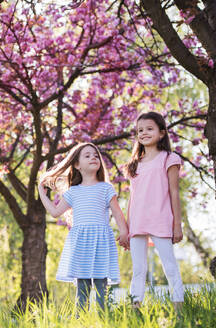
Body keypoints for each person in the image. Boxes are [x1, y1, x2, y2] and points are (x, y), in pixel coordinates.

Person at [38, 142, 129, 312]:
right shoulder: (73, 192)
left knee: (101, 285)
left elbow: (117, 213)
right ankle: (81, 320)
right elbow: (55, 212)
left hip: (101, 242)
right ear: (77, 165)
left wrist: (124, 232)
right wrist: (42, 193)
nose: (93, 157)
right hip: (80, 244)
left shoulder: (105, 188)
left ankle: (103, 319)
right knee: (83, 287)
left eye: (95, 155)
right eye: (87, 156)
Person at [124, 111, 185, 309]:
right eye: (140, 130)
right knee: (138, 270)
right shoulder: (134, 165)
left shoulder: (169, 158)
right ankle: (134, 310)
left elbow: (174, 193)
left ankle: (179, 310)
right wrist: (126, 228)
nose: (144, 133)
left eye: (149, 129)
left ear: (161, 133)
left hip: (161, 220)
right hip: (137, 222)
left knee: (170, 267)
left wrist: (177, 225)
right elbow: (131, 198)